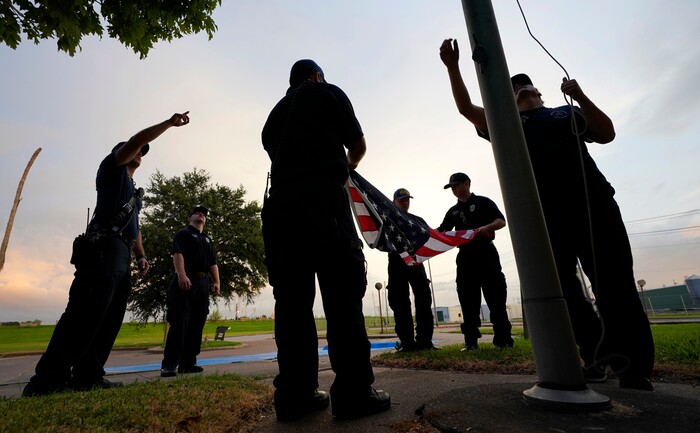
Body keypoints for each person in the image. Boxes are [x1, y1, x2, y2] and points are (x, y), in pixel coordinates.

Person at [439, 38, 654, 390]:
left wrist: (580, 95)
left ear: (539, 91)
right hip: (543, 217)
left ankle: (634, 367)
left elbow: (607, 132)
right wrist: (452, 67)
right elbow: (467, 109)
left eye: (526, 83)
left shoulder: (565, 113)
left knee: (613, 284)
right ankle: (597, 357)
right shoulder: (506, 124)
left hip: (592, 205)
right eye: (515, 86)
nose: (522, 86)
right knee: (565, 291)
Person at [23, 112, 191, 397]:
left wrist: (140, 256)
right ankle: (47, 381)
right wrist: (168, 124)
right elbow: (138, 139)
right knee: (83, 314)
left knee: (109, 318)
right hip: (102, 250)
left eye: (141, 152)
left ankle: (88, 375)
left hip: (122, 254)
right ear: (121, 152)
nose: (139, 152)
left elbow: (135, 230)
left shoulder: (134, 194)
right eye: (133, 150)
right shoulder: (111, 169)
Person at [261, 59, 390, 421]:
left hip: (281, 211)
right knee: (342, 297)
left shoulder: (274, 117)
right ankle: (353, 393)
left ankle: (294, 395)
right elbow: (358, 145)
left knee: (291, 304)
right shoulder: (327, 93)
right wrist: (348, 166)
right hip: (325, 204)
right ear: (317, 76)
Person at [437, 172, 514, 351]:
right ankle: (471, 341)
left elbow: (501, 221)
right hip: (465, 257)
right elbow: (442, 231)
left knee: (495, 297)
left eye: (456, 185)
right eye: (451, 187)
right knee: (467, 299)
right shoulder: (453, 211)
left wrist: (485, 228)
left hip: (486, 253)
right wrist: (426, 234)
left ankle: (503, 340)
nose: (454, 190)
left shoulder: (483, 202)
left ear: (467, 183)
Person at [160, 205, 220, 377]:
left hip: (202, 284)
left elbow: (212, 263)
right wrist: (182, 275)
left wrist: (216, 282)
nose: (201, 214)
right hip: (187, 280)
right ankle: (169, 365)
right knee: (180, 322)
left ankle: (188, 363)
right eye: (197, 212)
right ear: (190, 218)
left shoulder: (208, 240)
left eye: (204, 213)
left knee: (197, 323)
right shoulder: (183, 234)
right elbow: (177, 254)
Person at [387, 188, 437, 352]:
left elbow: (429, 238)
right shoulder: (387, 220)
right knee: (400, 302)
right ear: (394, 202)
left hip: (416, 261)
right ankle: (407, 342)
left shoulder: (417, 221)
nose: (405, 203)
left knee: (423, 300)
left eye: (407, 199)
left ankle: (425, 341)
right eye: (401, 200)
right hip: (396, 261)